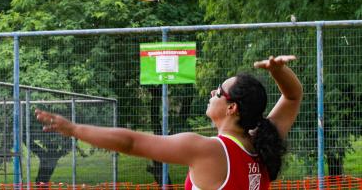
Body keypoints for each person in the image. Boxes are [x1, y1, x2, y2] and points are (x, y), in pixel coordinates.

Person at [35, 55, 303, 190]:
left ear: (231, 107)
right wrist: (279, 71)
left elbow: (131, 142)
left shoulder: (209, 150)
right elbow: (292, 97)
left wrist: (74, 129)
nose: (213, 93)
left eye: (219, 91)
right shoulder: (262, 142)